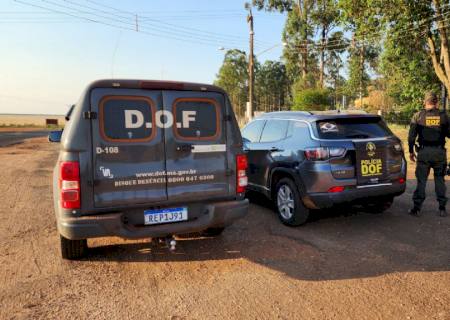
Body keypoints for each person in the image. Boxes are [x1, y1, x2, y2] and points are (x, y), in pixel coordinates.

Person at [408, 91, 450, 217]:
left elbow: (411, 137)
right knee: (440, 180)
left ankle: (416, 208)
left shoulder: (418, 116)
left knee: (421, 181)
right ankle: (442, 208)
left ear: (425, 102)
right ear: (436, 102)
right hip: (439, 153)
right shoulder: (444, 116)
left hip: (424, 152)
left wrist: (411, 151)